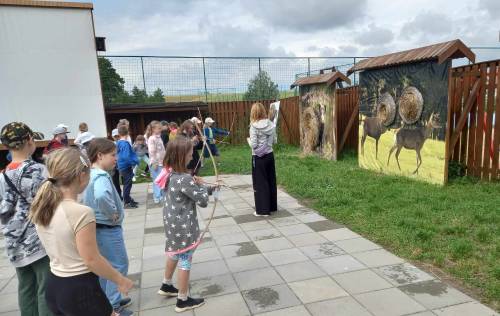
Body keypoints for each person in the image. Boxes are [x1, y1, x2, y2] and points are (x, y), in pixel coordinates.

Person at [29, 147, 133, 316]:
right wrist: (120, 279)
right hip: (80, 288)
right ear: (81, 175)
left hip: (54, 284)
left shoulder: (42, 205)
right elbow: (92, 259)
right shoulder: (81, 212)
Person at [158, 137, 215, 313]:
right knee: (185, 259)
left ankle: (166, 285)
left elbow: (190, 193)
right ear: (182, 156)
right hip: (183, 228)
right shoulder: (184, 179)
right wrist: (203, 188)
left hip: (172, 225)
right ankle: (183, 299)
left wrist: (208, 187)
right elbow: (202, 201)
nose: (192, 157)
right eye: (190, 154)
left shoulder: (169, 174)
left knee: (174, 253)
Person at [0, 122, 51, 316]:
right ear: (29, 140)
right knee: (45, 288)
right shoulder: (39, 170)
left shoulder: (3, 176)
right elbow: (50, 202)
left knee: (26, 287)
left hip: (14, 241)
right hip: (38, 240)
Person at [83, 138, 133, 315]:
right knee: (119, 264)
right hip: (108, 228)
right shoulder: (102, 176)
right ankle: (113, 305)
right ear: (99, 155)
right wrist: (112, 213)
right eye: (113, 155)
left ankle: (107, 301)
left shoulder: (89, 173)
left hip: (96, 228)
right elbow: (102, 195)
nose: (116, 158)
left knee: (104, 266)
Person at [249, 103, 277, 217]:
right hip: (270, 155)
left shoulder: (253, 126)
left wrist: (249, 141)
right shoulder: (271, 124)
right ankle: (272, 206)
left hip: (258, 157)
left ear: (253, 113)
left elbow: (254, 145)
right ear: (263, 111)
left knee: (260, 183)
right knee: (271, 181)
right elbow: (274, 141)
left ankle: (262, 210)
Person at [116, 125, 139, 208]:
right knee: (127, 184)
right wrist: (133, 162)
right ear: (128, 133)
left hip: (122, 166)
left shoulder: (118, 142)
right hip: (125, 166)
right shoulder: (125, 144)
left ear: (119, 133)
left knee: (127, 183)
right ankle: (127, 202)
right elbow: (126, 156)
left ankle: (128, 199)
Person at [147, 121, 166, 204]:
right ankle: (157, 197)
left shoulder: (159, 137)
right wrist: (154, 163)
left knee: (162, 180)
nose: (160, 129)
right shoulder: (152, 138)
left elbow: (162, 150)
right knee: (157, 180)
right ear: (153, 129)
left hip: (162, 163)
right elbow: (152, 151)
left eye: (160, 128)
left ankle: (162, 195)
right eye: (158, 128)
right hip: (156, 164)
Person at [111, 128, 122, 200]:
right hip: (114, 165)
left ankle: (125, 195)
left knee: (125, 181)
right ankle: (118, 195)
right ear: (113, 137)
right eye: (115, 136)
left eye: (118, 136)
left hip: (121, 164)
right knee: (115, 181)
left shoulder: (122, 143)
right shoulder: (111, 144)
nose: (117, 138)